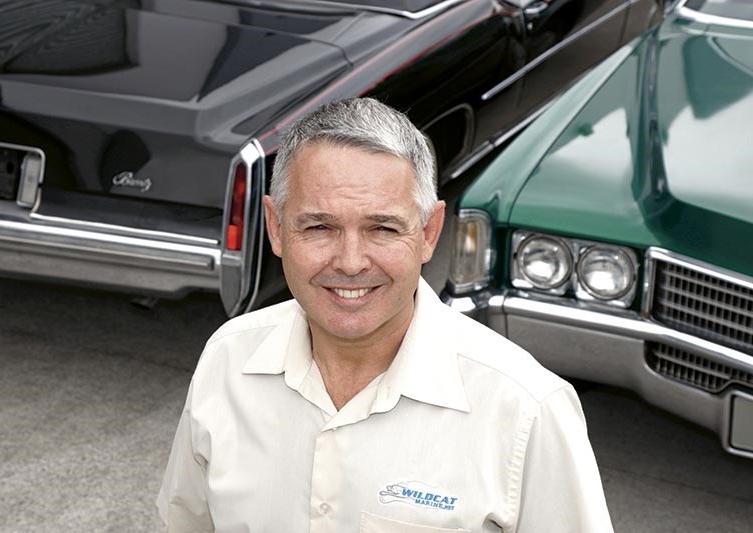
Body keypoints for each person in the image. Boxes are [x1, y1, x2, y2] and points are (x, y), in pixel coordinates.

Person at [157, 98, 614, 532]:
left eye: (382, 228)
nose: (351, 261)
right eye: (319, 227)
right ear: (277, 229)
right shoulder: (227, 360)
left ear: (429, 232)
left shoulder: (527, 411)